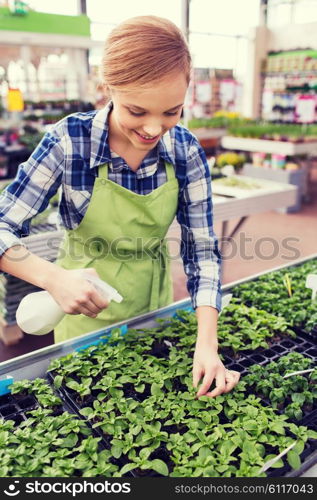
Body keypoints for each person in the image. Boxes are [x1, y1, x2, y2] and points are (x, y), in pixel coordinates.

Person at [0, 16, 240, 398]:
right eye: (137, 111)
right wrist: (53, 278)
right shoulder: (69, 142)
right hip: (80, 313)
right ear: (108, 88)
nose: (153, 129)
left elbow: (202, 251)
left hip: (152, 308)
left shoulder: (185, 150)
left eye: (171, 112)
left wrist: (207, 342)